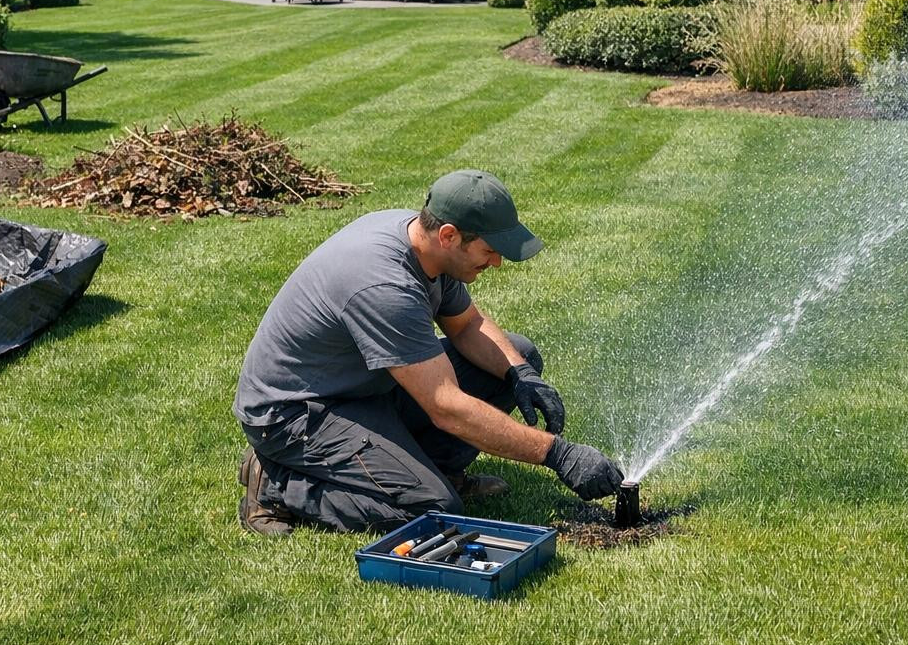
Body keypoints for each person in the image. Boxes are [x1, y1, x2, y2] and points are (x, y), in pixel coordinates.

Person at [233, 169, 624, 535]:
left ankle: (430, 469)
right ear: (450, 236)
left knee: (514, 356)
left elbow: (467, 324)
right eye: (490, 250)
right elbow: (446, 407)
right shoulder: (384, 286)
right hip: (296, 415)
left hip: (361, 390)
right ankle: (277, 484)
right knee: (431, 510)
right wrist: (558, 454)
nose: (498, 262)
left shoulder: (426, 242)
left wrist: (521, 374)